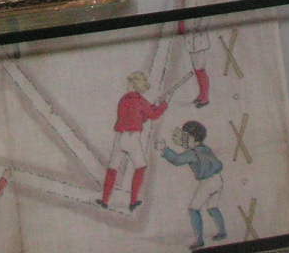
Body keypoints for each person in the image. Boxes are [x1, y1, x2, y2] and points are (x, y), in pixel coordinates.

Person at [97, 71, 168, 211]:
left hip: (119, 137)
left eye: (129, 82)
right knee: (140, 167)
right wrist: (163, 105)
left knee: (112, 168)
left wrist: (151, 109)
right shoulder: (140, 100)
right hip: (132, 138)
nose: (127, 84)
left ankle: (105, 200)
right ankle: (133, 201)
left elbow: (137, 116)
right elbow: (152, 115)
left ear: (133, 84)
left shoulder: (124, 99)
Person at [160, 120, 228, 250]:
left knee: (193, 209)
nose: (183, 138)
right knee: (212, 207)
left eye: (186, 136)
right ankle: (222, 232)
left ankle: (199, 240)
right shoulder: (205, 148)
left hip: (207, 182)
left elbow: (177, 160)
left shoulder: (193, 153)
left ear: (192, 137)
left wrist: (165, 149)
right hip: (218, 179)